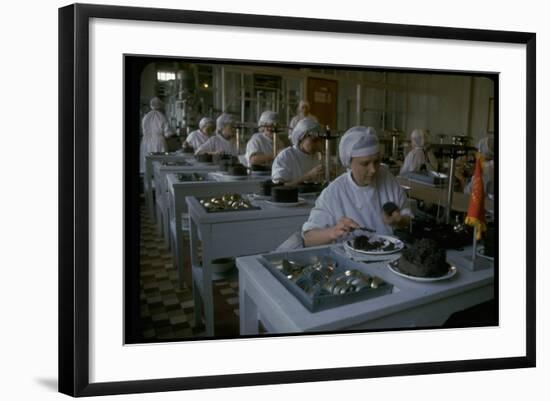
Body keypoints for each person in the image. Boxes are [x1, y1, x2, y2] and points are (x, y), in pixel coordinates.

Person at [302, 126, 413, 247]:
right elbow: (308, 239)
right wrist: (333, 232)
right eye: (365, 163)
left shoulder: (387, 179)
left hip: (388, 254)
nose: (373, 170)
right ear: (349, 163)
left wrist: (399, 221)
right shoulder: (334, 192)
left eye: (376, 161)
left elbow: (407, 217)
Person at [272, 117, 324, 186]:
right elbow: (280, 187)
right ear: (301, 138)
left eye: (320, 141)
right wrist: (308, 176)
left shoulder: (316, 156)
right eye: (314, 141)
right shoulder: (286, 156)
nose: (317, 145)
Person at [140, 97, 174, 172]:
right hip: (159, 141)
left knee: (148, 164)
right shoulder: (161, 116)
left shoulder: (146, 117)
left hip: (146, 141)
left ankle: (148, 180)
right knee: (160, 164)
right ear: (160, 106)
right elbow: (168, 134)